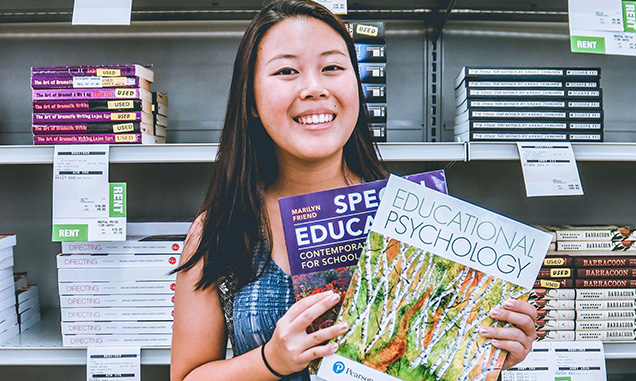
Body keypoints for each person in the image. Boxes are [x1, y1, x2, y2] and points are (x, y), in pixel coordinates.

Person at [170, 1, 537, 380]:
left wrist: (485, 353)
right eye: (286, 71)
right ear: (250, 101)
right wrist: (269, 360)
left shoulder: (418, 218)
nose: (314, 88)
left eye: (332, 67)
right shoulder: (220, 229)